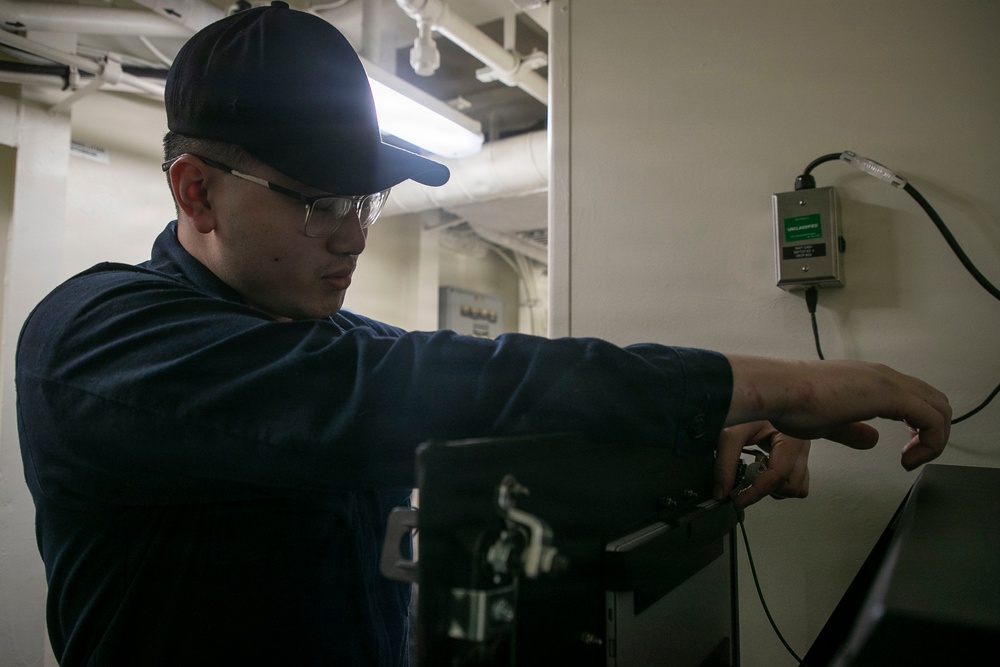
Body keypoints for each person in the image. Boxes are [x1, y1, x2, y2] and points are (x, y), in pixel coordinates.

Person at [14, 3, 951, 666]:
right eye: (319, 201)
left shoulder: (320, 338)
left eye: (367, 196)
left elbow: (501, 427)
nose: (355, 229)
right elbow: (423, 388)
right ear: (194, 190)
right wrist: (773, 383)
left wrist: (703, 445)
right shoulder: (97, 342)